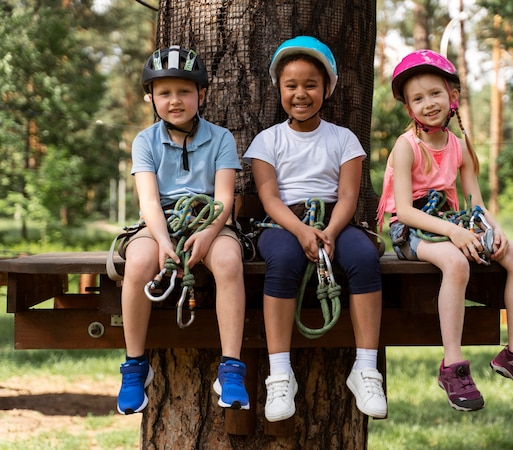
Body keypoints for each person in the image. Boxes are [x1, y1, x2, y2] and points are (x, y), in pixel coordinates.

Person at [377, 49, 513, 412]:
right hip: (412, 230)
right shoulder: (407, 146)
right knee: (456, 264)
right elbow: (406, 212)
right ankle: (452, 365)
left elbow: (475, 202)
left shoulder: (458, 146)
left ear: (452, 97)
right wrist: (454, 234)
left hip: (453, 223)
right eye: (418, 98)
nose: (428, 103)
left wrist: (494, 227)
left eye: (435, 93)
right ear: (409, 108)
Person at [243, 36, 387, 422]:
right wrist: (303, 233)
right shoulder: (267, 141)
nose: (301, 94)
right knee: (284, 259)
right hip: (282, 222)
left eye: (311, 85)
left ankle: (366, 368)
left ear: (327, 88)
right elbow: (270, 197)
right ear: (279, 89)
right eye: (291, 86)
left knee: (363, 257)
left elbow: (348, 195)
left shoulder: (344, 139)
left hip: (334, 221)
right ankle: (279, 372)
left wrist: (331, 232)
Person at [116, 45, 249, 415]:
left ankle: (232, 367)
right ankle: (134, 366)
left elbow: (222, 199)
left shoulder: (221, 138)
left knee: (227, 260)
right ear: (151, 98)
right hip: (161, 222)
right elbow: (149, 202)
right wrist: (161, 239)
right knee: (139, 261)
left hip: (210, 221)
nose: (175, 101)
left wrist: (207, 235)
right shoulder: (145, 141)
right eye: (164, 93)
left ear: (201, 95)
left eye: (184, 92)